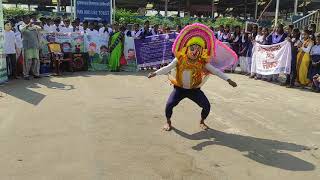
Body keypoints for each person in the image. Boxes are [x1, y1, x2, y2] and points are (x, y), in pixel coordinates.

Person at [148, 23, 237, 131]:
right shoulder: (180, 59)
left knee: (207, 106)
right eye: (193, 47)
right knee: (169, 105)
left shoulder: (202, 62)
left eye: (198, 48)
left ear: (201, 51)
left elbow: (216, 71)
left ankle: (202, 121)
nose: (195, 51)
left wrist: (228, 79)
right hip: (179, 89)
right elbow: (168, 68)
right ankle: (168, 122)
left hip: (194, 90)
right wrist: (155, 73)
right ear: (187, 48)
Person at [20, 15, 42, 80]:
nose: (28, 20)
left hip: (35, 46)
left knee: (36, 60)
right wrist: (28, 25)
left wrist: (39, 24)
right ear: (23, 20)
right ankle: (26, 75)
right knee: (27, 61)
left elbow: (41, 29)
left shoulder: (34, 26)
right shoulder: (21, 26)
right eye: (27, 19)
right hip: (27, 46)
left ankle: (36, 74)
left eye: (29, 19)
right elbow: (22, 30)